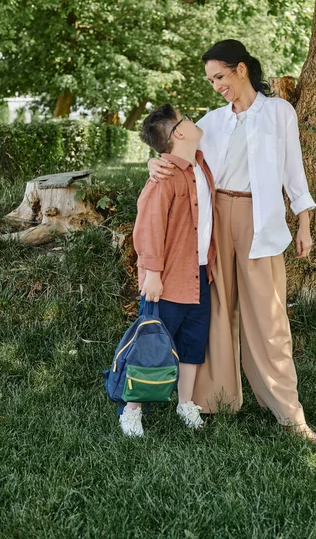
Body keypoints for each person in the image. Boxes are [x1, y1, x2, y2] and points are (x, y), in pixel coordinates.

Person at [148, 40, 316, 446]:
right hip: (214, 221)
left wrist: (304, 224)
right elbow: (177, 151)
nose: (216, 86)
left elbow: (293, 171)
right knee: (215, 309)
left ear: (241, 69)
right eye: (211, 79)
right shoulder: (212, 121)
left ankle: (288, 413)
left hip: (258, 220)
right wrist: (152, 161)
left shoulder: (279, 112)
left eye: (220, 76)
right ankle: (214, 400)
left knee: (269, 318)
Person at [119, 103, 216, 437]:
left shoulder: (200, 165)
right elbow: (148, 227)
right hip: (168, 279)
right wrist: (153, 273)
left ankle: (185, 402)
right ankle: (132, 409)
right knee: (152, 343)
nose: (193, 120)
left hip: (200, 274)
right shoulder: (164, 178)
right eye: (187, 119)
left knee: (192, 343)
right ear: (179, 133)